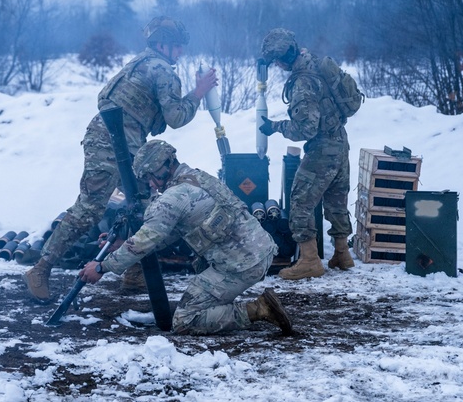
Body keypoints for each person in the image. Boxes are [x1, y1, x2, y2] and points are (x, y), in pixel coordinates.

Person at [23, 16, 218, 302]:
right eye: (177, 46)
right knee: (90, 208)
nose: (180, 52)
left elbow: (114, 102)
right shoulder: (162, 70)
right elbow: (176, 117)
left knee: (142, 205)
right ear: (162, 44)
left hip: (126, 143)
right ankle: (40, 269)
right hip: (111, 141)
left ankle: (135, 271)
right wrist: (199, 92)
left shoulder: (140, 63)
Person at [78, 140, 292, 336]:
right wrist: (123, 245)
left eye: (151, 175)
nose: (151, 183)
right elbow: (166, 235)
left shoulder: (172, 198)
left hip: (240, 265)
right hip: (259, 250)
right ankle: (220, 306)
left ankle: (260, 309)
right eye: (145, 179)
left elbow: (144, 242)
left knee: (185, 320)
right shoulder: (197, 177)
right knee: (196, 294)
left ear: (167, 165)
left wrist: (101, 267)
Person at [257, 28, 353, 280]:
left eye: (276, 61)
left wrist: (275, 127)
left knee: (300, 201)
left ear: (282, 57)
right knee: (336, 200)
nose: (277, 65)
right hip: (340, 142)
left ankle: (310, 260)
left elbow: (305, 128)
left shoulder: (302, 81)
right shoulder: (315, 63)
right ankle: (342, 254)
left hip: (322, 148)